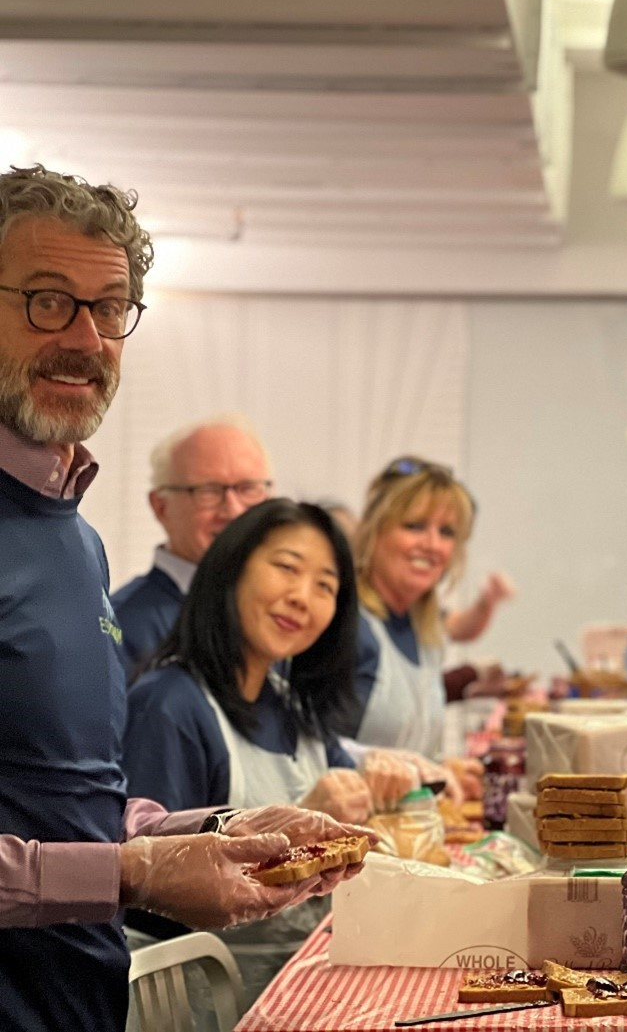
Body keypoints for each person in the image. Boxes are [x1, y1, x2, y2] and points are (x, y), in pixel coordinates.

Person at [0, 164, 365, 1032]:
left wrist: (217, 826)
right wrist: (134, 875)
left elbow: (73, 800)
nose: (85, 339)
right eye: (47, 300)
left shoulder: (72, 534)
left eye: (109, 308)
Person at [123, 498, 421, 1005]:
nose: (303, 597)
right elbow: (148, 895)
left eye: (325, 586)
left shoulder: (291, 704)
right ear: (230, 567)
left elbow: (351, 810)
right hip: (220, 1005)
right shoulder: (170, 706)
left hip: (309, 987)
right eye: (286, 568)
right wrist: (303, 822)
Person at [330, 456, 514, 758]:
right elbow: (307, 752)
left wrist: (442, 772)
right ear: (375, 531)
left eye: (446, 532)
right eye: (414, 526)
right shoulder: (346, 625)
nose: (432, 545)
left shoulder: (424, 629)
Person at [111, 416, 273, 677]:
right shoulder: (122, 627)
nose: (233, 510)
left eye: (248, 488)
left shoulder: (286, 615)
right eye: (208, 491)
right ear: (160, 507)